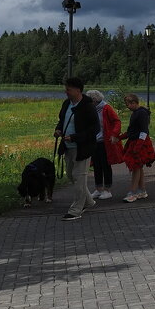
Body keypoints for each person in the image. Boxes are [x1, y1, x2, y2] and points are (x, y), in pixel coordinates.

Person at [54, 76, 99, 221]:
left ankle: (76, 210)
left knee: (79, 178)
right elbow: (62, 121)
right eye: (66, 89)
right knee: (72, 176)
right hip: (68, 147)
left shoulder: (87, 106)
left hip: (83, 148)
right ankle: (89, 202)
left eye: (69, 89)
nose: (66, 92)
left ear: (78, 90)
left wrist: (75, 137)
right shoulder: (67, 103)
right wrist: (58, 130)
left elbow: (95, 128)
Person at [86, 89, 123, 200]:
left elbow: (117, 121)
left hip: (105, 142)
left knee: (106, 165)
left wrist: (114, 134)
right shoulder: (91, 109)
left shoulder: (106, 108)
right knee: (96, 166)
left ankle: (107, 190)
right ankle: (98, 189)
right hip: (95, 141)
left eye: (89, 101)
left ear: (95, 100)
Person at [120, 93, 155, 202]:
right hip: (135, 142)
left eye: (128, 104)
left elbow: (144, 130)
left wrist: (138, 146)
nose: (127, 106)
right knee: (138, 167)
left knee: (135, 166)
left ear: (134, 103)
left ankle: (133, 193)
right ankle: (142, 191)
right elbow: (131, 131)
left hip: (140, 143)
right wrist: (119, 138)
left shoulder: (142, 113)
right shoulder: (136, 112)